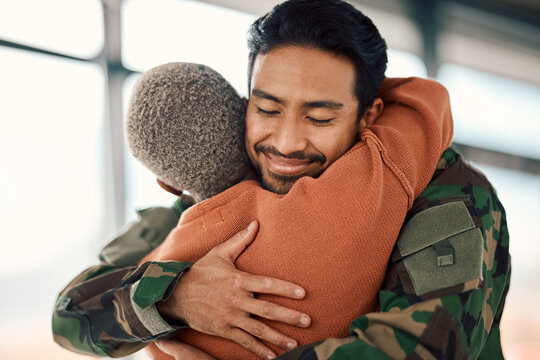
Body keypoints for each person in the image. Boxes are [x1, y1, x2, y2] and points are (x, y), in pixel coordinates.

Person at [52, 1, 510, 359]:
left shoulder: (445, 192)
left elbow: (426, 349)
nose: (286, 143)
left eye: (319, 118)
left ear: (367, 115)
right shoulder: (226, 190)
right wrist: (174, 298)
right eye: (267, 109)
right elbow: (69, 317)